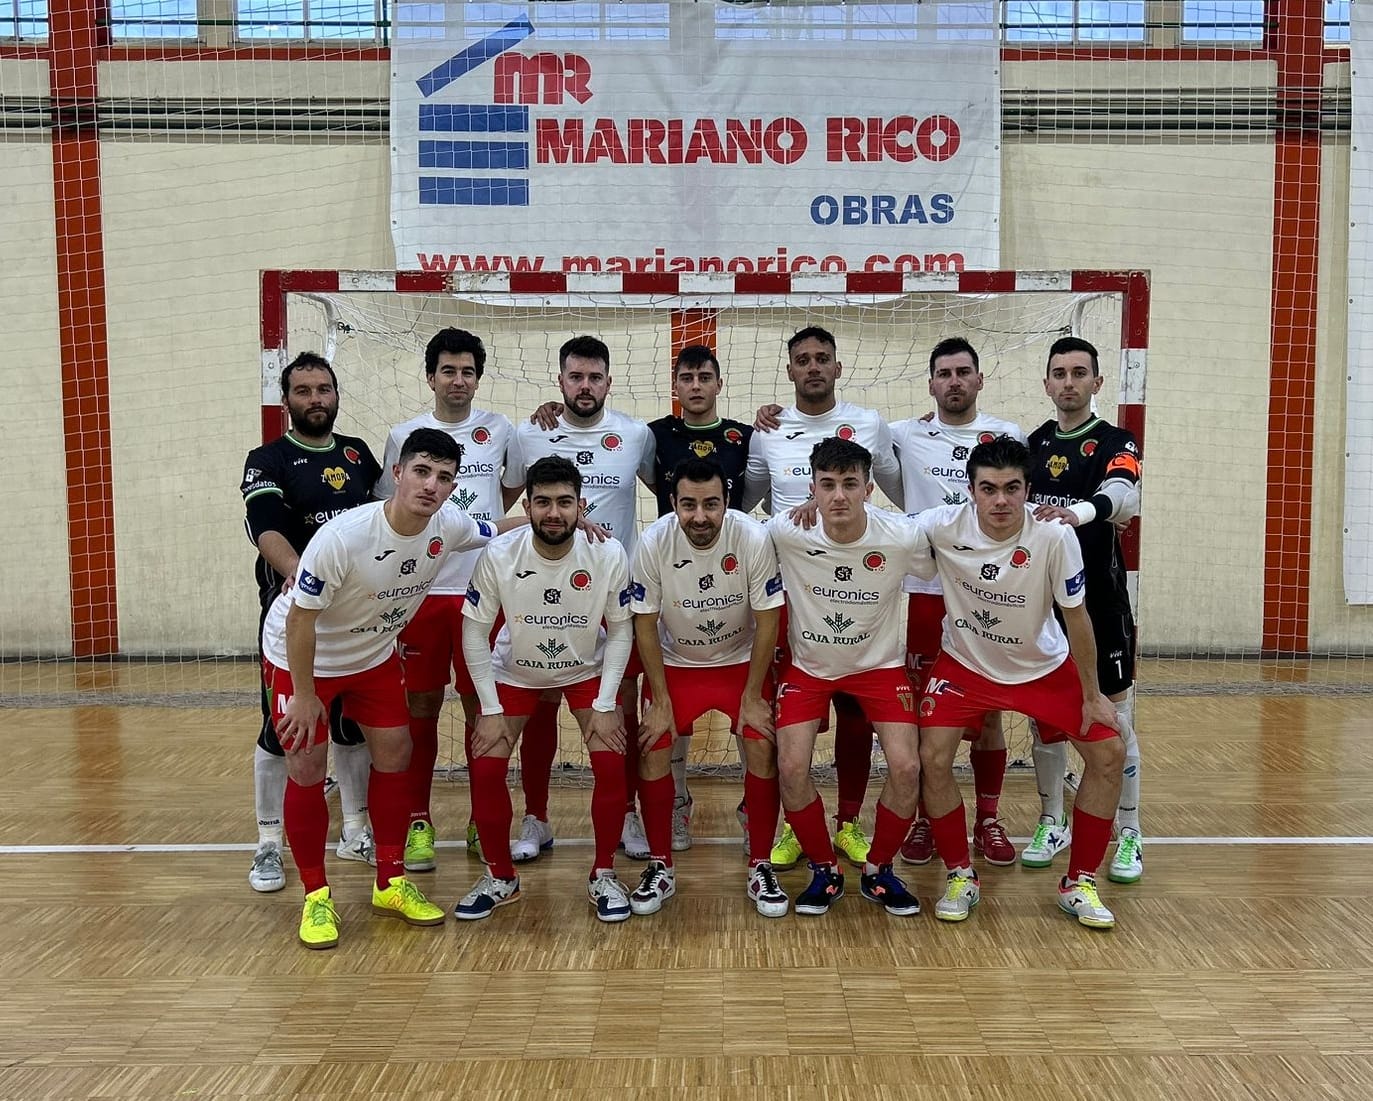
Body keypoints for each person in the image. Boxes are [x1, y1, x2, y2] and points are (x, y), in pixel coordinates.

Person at [262, 428, 518, 948]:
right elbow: (300, 622)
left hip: (372, 657)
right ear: (397, 474)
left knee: (396, 752)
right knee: (307, 765)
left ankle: (391, 881)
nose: (431, 485)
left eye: (444, 477)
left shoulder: (446, 525)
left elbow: (494, 526)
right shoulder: (343, 538)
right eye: (421, 471)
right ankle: (316, 897)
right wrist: (307, 696)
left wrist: (561, 516)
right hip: (302, 656)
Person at [911, 434, 1125, 929]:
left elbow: (1078, 619)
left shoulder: (1053, 537)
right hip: (965, 664)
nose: (1001, 500)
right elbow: (876, 529)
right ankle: (961, 875)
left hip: (1041, 668)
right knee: (932, 756)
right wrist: (818, 504)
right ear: (971, 490)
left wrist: (1092, 696)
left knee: (1109, 752)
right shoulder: (941, 526)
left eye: (1012, 488)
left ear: (1029, 489)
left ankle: (1080, 883)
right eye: (988, 489)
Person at [745, 326, 904, 871]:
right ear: (789, 371)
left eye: (823, 359)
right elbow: (747, 503)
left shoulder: (869, 422)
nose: (813, 367)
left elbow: (895, 489)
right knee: (800, 726)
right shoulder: (766, 429)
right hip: (794, 589)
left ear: (838, 367)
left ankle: (850, 822)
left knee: (857, 717)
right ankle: (795, 823)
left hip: (860, 581)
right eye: (803, 360)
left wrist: (862, 521)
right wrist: (794, 519)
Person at [455, 455, 636, 923]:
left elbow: (620, 629)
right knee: (486, 762)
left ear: (581, 506)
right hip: (515, 672)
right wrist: (490, 708)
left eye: (563, 502)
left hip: (585, 669)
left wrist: (604, 702)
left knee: (613, 761)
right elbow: (474, 631)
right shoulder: (500, 554)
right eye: (542, 503)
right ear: (529, 506)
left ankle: (603, 873)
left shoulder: (608, 553)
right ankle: (500, 877)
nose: (553, 513)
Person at [504, 336, 656, 863]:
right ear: (561, 382)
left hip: (614, 597)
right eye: (575, 377)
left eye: (594, 378)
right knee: (542, 703)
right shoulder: (530, 433)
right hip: (542, 592)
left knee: (621, 706)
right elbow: (509, 505)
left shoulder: (636, 434)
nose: (585, 386)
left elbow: (671, 494)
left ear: (608, 383)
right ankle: (537, 816)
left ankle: (629, 812)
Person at [375, 328, 519, 875]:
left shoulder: (500, 429)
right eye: (448, 371)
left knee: (486, 707)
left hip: (485, 591)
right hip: (421, 596)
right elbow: (394, 512)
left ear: (478, 378)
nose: (458, 381)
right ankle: (418, 820)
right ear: (430, 375)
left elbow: (503, 496)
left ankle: (485, 820)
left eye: (468, 372)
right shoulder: (403, 434)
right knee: (421, 709)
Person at [768, 438, 926, 917]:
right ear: (812, 488)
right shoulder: (785, 531)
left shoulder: (900, 536)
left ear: (869, 489)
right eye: (828, 485)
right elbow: (723, 534)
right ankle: (823, 868)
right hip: (808, 670)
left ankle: (879, 870)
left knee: (907, 768)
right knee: (792, 767)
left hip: (879, 670)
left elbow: (958, 546)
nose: (839, 496)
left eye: (850, 484)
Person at [240, 352, 379, 894]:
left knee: (349, 726)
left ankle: (354, 830)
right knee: (285, 730)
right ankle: (269, 844)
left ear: (336, 394)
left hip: (357, 617)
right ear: (287, 400)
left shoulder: (358, 454)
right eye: (303, 391)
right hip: (292, 613)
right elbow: (266, 527)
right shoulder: (267, 458)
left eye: (324, 389)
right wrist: (305, 579)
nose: (315, 399)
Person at [890, 337, 1026, 869]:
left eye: (963, 372)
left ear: (978, 379)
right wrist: (775, 414)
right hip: (926, 594)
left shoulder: (1006, 435)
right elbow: (852, 448)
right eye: (943, 373)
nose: (953, 381)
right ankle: (926, 817)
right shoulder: (904, 432)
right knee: (930, 716)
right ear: (930, 384)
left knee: (987, 713)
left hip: (986, 592)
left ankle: (988, 819)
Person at [630, 457, 787, 917]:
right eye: (689, 505)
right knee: (654, 743)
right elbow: (644, 625)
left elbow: (768, 620)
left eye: (712, 504)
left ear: (727, 502)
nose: (700, 516)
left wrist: (754, 696)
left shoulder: (752, 538)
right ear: (673, 503)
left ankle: (761, 864)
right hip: (677, 665)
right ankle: (661, 865)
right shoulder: (654, 541)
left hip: (740, 662)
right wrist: (659, 701)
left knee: (761, 743)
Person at [1024, 336, 1144, 883]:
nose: (1068, 382)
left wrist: (1074, 513)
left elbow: (1122, 494)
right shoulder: (1032, 444)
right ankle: (1053, 820)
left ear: (1097, 382)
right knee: (1047, 716)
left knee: (1115, 717)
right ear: (1047, 383)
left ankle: (1131, 833)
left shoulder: (1118, 440)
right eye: (1059, 373)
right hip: (1044, 604)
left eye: (1079, 373)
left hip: (1101, 600)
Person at [645, 345, 753, 849]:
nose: (695, 385)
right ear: (675, 384)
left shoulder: (746, 436)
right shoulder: (655, 435)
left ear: (718, 382)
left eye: (704, 376)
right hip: (673, 572)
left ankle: (757, 805)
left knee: (755, 725)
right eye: (685, 377)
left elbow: (749, 498)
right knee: (667, 721)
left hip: (729, 565)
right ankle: (678, 801)